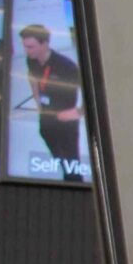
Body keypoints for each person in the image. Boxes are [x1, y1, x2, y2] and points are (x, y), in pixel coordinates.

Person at [18, 24, 80, 168]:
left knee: (71, 161)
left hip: (66, 120)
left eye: (30, 47)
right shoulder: (31, 60)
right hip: (46, 114)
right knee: (47, 136)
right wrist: (37, 100)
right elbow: (31, 75)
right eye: (25, 46)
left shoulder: (66, 66)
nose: (26, 51)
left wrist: (78, 112)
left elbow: (93, 91)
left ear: (44, 44)